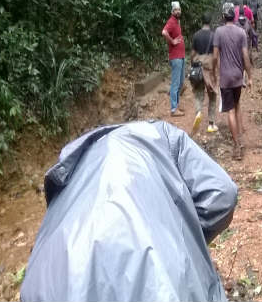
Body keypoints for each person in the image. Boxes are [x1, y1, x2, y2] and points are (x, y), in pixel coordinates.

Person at [20, 121, 238, 302]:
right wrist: (184, 238)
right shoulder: (159, 134)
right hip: (169, 287)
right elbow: (222, 195)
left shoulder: (68, 181)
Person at [212, 2, 252, 160]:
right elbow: (246, 56)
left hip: (226, 77)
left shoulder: (219, 32)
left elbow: (215, 56)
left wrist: (215, 73)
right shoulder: (241, 32)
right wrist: (250, 77)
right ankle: (240, 136)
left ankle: (236, 145)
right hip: (238, 76)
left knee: (230, 110)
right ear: (233, 16)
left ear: (223, 16)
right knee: (237, 106)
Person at [190, 12, 218, 134]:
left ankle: (199, 112)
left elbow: (192, 54)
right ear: (210, 21)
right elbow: (216, 55)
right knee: (212, 96)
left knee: (198, 94)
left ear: (202, 21)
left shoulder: (196, 35)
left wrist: (193, 65)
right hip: (209, 67)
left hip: (198, 67)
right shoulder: (214, 35)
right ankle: (211, 125)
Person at [162, 1, 185, 117]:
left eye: (179, 9)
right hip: (175, 57)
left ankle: (176, 105)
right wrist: (172, 41)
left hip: (181, 56)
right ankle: (173, 109)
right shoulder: (171, 21)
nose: (178, 11)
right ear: (172, 11)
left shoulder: (177, 21)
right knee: (175, 84)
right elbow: (164, 32)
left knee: (181, 82)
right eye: (176, 10)